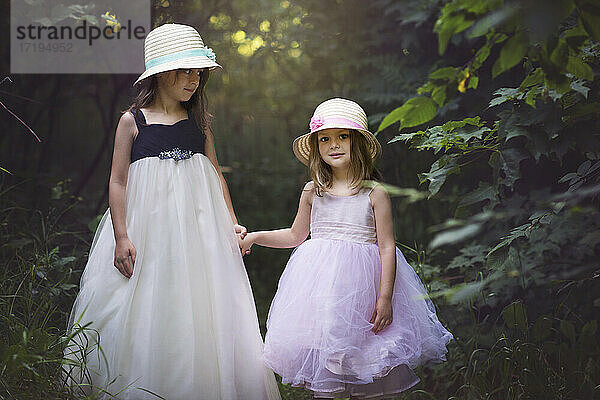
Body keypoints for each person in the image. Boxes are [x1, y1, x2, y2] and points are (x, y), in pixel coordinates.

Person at [63, 23, 281, 400]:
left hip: (199, 229)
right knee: (147, 298)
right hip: (150, 230)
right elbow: (117, 182)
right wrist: (121, 236)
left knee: (201, 297)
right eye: (187, 70)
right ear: (162, 72)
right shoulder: (133, 122)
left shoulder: (198, 123)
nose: (195, 79)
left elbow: (214, 174)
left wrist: (232, 223)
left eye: (199, 72)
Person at [240, 98, 453, 399]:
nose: (333, 145)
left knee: (368, 362)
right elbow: (295, 235)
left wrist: (385, 296)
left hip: (365, 291)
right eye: (324, 139)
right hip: (322, 294)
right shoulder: (314, 191)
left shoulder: (374, 193)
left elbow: (386, 246)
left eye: (343, 136)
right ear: (316, 147)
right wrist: (255, 236)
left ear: (359, 144)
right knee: (327, 363)